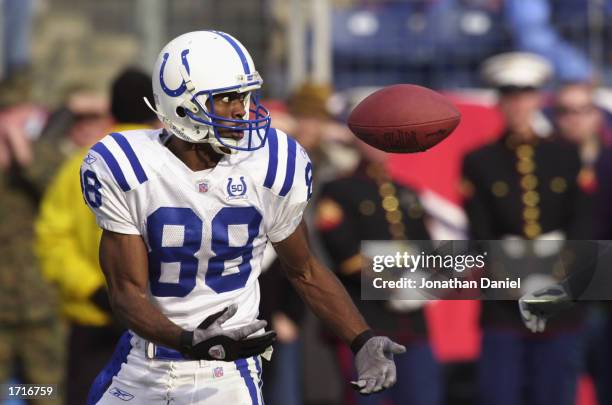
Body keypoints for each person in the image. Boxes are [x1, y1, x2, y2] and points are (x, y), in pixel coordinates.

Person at [82, 31, 405, 405]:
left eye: (246, 96)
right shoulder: (127, 166)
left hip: (228, 373)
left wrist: (361, 338)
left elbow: (305, 271)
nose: (242, 109)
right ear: (181, 106)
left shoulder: (271, 164)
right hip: (144, 363)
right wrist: (188, 340)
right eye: (227, 98)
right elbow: (125, 294)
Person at [463, 52, 591, 405]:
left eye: (525, 94)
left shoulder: (565, 155)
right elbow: (480, 228)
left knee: (553, 390)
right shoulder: (480, 160)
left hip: (558, 291)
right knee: (499, 390)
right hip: (505, 295)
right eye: (509, 95)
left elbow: (580, 219)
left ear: (538, 98)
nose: (518, 104)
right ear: (499, 101)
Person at [35, 68, 159, 405]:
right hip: (161, 322)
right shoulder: (175, 165)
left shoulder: (80, 164)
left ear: (112, 110)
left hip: (92, 319)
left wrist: (93, 290)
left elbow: (51, 238)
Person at [316, 138, 442, 405]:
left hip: (413, 321)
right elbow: (345, 254)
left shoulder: (407, 193)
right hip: (365, 320)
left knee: (423, 395)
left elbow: (427, 250)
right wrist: (391, 285)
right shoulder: (339, 190)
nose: (381, 144)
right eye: (372, 136)